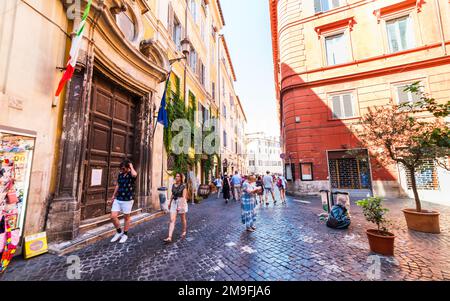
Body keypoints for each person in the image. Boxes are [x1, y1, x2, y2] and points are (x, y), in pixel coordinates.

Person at [108, 159, 138, 244]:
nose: (122, 170)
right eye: (121, 168)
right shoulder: (120, 175)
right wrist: (113, 196)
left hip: (128, 199)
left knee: (126, 217)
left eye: (124, 168)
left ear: (128, 168)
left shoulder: (131, 175)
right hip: (118, 198)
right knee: (113, 216)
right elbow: (118, 185)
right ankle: (119, 232)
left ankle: (125, 234)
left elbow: (135, 174)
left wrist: (131, 166)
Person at [164, 173, 188, 243]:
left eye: (178, 176)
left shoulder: (183, 186)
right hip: (174, 202)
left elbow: (184, 197)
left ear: (181, 178)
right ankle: (169, 237)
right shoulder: (173, 185)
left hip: (181, 202)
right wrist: (169, 202)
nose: (176, 177)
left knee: (182, 219)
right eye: (176, 176)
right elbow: (172, 194)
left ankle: (184, 231)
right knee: (172, 220)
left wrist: (181, 206)